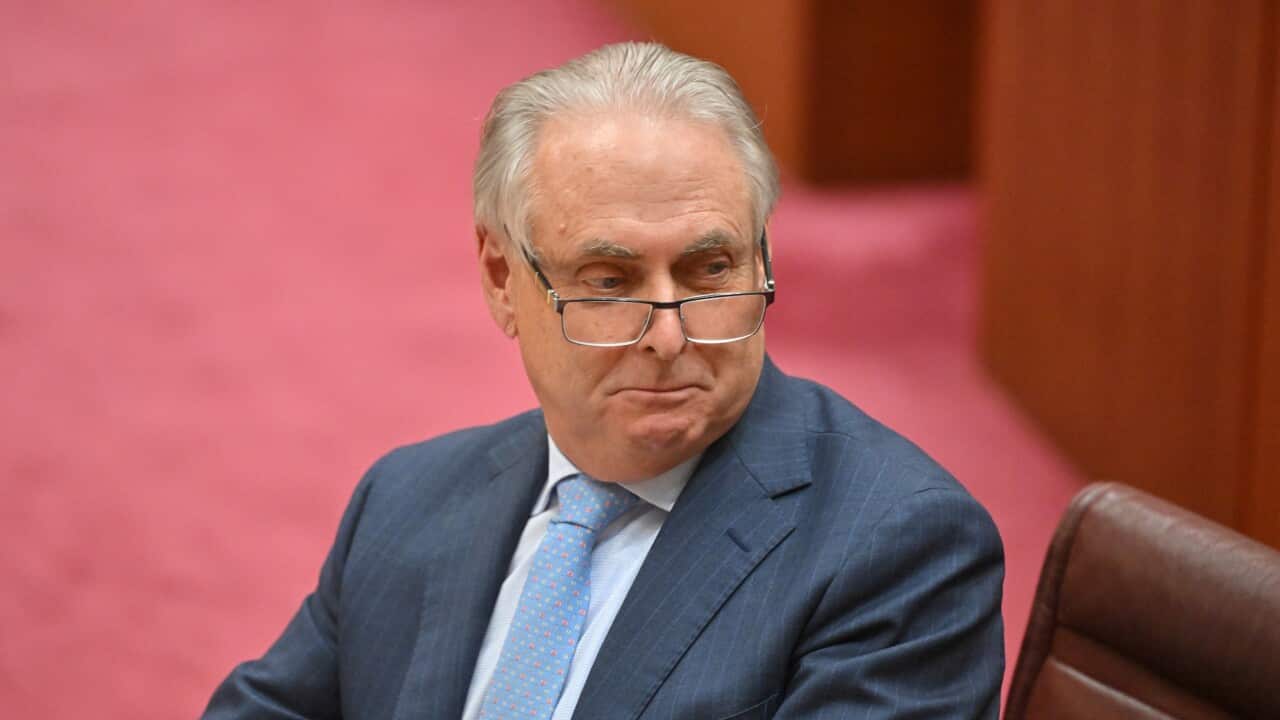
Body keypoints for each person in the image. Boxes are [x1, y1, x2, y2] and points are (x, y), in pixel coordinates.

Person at [203, 42, 1004, 719]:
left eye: (708, 270)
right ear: (499, 277)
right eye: (609, 283)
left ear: (762, 261)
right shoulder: (407, 499)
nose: (667, 335)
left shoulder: (895, 549)